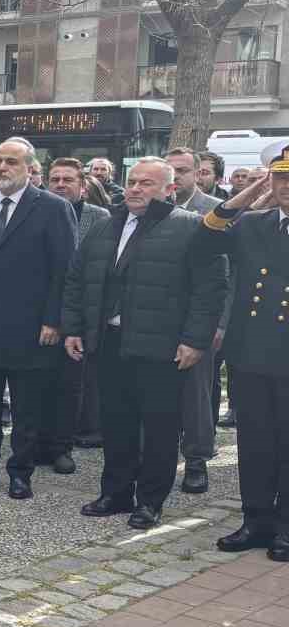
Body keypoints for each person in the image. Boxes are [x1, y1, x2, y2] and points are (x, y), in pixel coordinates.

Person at [63, 157, 225, 530]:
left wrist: (194, 340)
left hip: (162, 347)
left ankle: (150, 501)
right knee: (117, 422)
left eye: (146, 184)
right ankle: (116, 492)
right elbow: (78, 279)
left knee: (159, 428)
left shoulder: (190, 227)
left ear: (169, 189)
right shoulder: (107, 225)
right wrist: (75, 328)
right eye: (132, 181)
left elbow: (210, 288)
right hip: (110, 342)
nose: (135, 189)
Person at [0, 137, 78, 500]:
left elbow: (64, 270)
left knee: (26, 408)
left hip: (31, 327)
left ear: (30, 168)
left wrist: (54, 321)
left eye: (11, 162)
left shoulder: (52, 208)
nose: (2, 168)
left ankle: (20, 472)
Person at [197, 143, 289, 561]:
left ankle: (286, 526)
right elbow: (208, 233)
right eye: (281, 177)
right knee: (254, 441)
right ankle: (255, 520)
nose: (287, 186)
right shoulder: (255, 224)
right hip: (250, 350)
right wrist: (252, 192)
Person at [166, 147, 229, 494]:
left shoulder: (214, 212)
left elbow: (228, 274)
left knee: (197, 394)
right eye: (170, 170)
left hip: (200, 320)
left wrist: (219, 323)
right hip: (159, 319)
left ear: (197, 174)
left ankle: (195, 460)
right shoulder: (155, 209)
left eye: (183, 170)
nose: (176, 177)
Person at [45, 158, 111, 454]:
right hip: (40, 314)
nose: (60, 184)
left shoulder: (100, 218)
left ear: (83, 187)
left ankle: (63, 447)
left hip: (81, 316)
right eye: (55, 179)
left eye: (67, 180)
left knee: (72, 385)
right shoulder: (37, 211)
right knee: (37, 384)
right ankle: (37, 444)